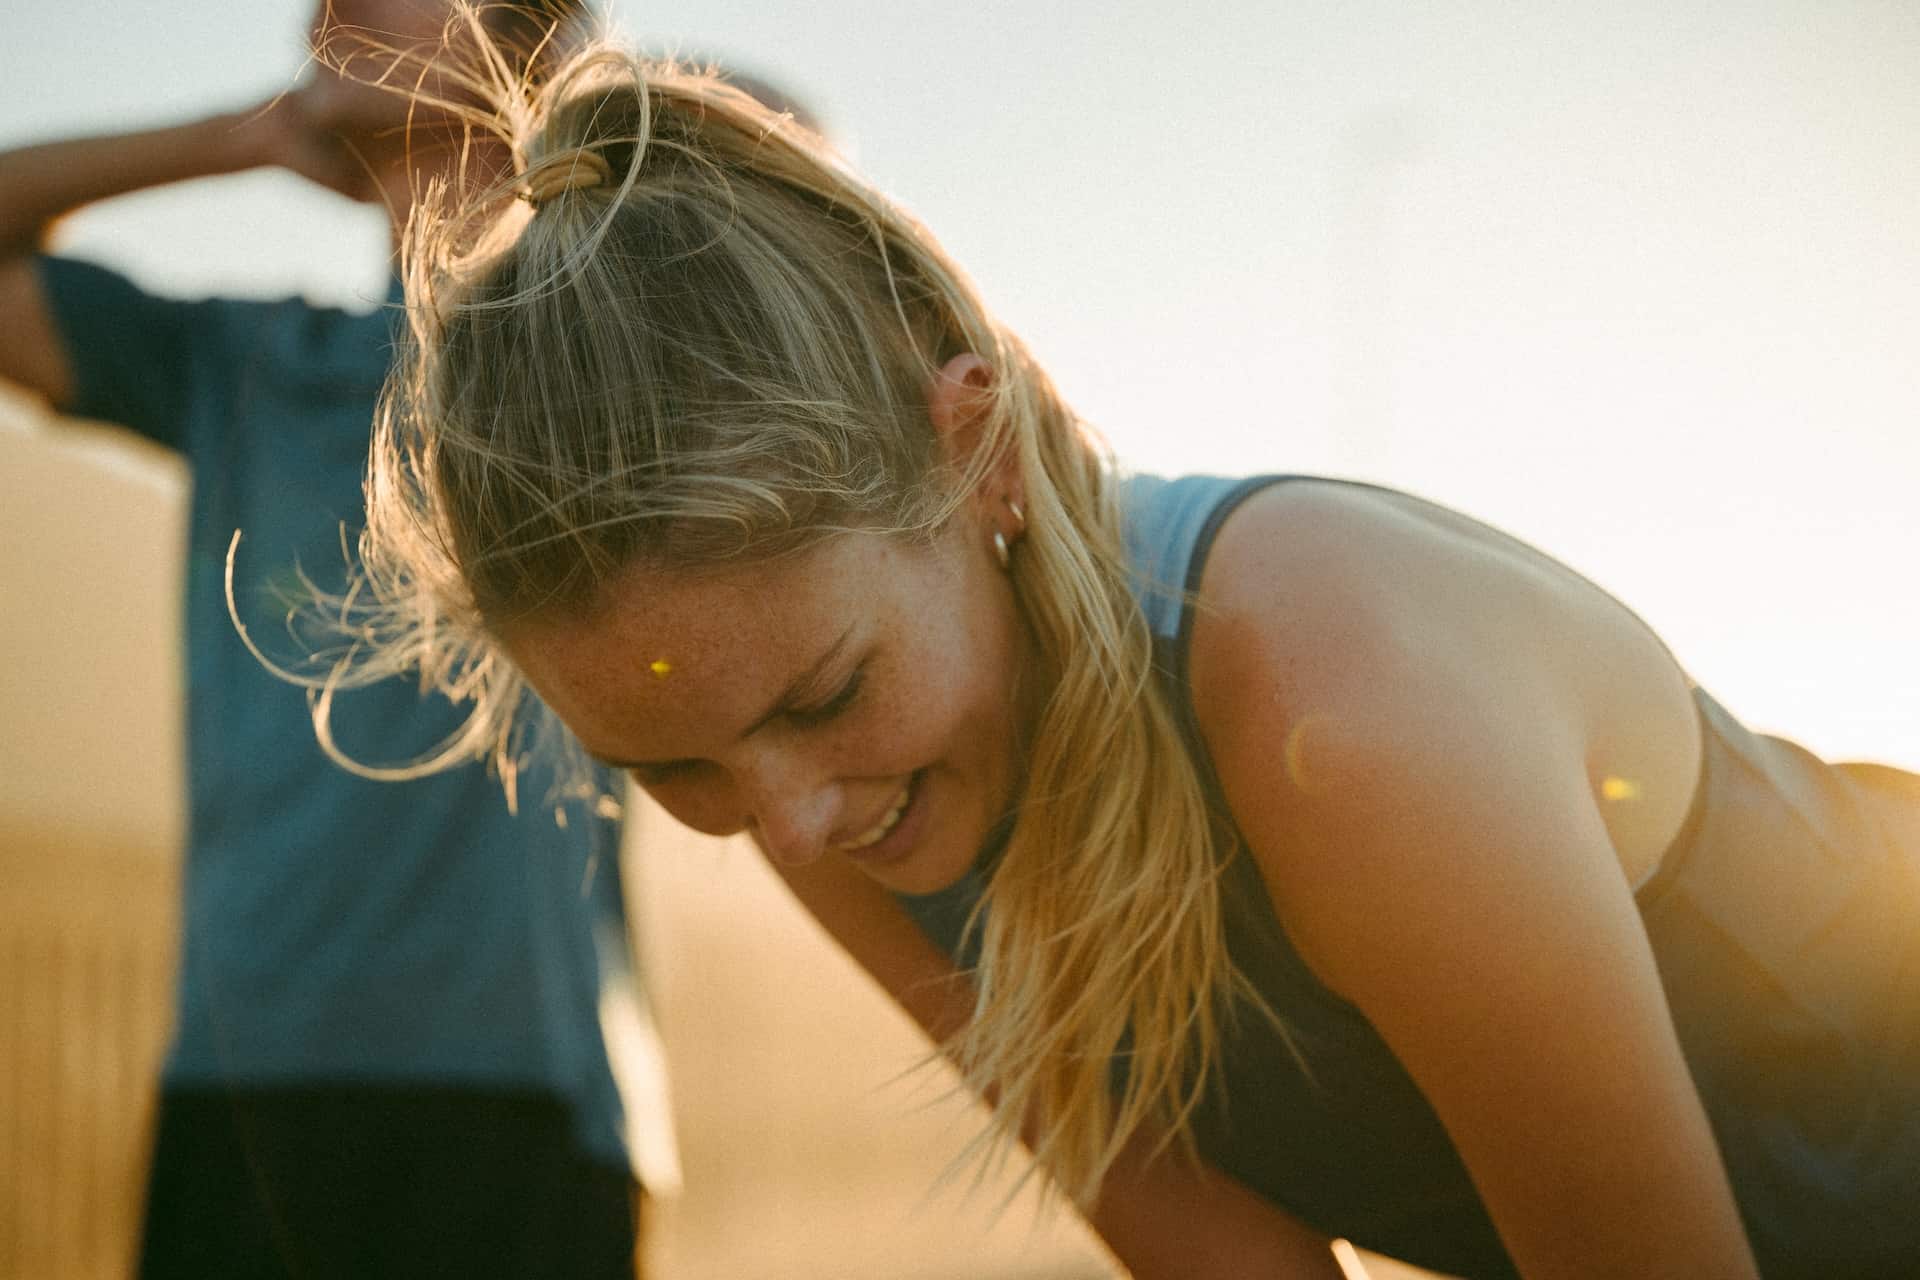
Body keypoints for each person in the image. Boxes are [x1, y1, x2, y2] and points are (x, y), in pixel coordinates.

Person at [313, 27, 1920, 1280]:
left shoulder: (1334, 703)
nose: (786, 824)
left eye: (824, 696)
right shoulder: (833, 794)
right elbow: (1223, 1262)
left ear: (979, 450)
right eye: (669, 769)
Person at [0, 4, 651, 1277]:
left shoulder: (613, 354)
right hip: (247, 1081)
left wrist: (559, 113)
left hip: (523, 1094)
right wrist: (243, 135)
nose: (328, 9)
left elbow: (795, 161)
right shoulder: (243, 362)